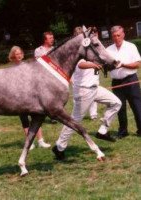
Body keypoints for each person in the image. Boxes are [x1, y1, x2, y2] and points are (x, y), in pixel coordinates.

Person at [52, 27, 122, 160]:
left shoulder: (89, 49)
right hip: (84, 91)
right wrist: (94, 65)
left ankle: (102, 131)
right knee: (74, 121)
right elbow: (81, 65)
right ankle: (59, 147)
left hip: (95, 88)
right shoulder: (77, 52)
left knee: (116, 103)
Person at [8, 46, 51, 150]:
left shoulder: (28, 66)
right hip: (19, 97)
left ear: (22, 54)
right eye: (16, 54)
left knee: (36, 117)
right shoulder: (11, 69)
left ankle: (41, 141)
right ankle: (29, 143)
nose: (18, 55)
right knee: (25, 120)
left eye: (20, 53)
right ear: (13, 55)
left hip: (31, 96)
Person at [106, 25, 141, 138]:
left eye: (118, 35)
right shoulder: (108, 49)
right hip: (116, 82)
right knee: (119, 107)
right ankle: (123, 131)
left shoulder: (131, 46)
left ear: (123, 34)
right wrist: (110, 66)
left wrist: (123, 64)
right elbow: (105, 67)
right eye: (114, 36)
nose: (116, 38)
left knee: (136, 105)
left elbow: (138, 64)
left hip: (131, 80)